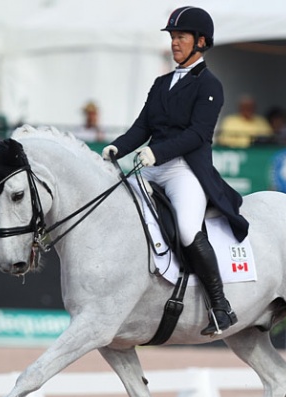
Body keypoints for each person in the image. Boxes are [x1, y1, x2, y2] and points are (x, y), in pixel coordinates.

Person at [101, 6, 247, 336]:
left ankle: (220, 305)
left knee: (186, 229)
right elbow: (142, 127)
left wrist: (157, 151)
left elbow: (197, 134)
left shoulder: (210, 85)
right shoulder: (161, 82)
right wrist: (116, 148)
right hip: (152, 166)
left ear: (201, 41)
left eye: (181, 37)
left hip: (184, 170)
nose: (174, 43)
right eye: (173, 37)